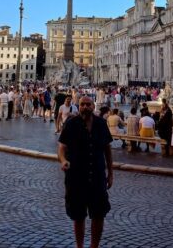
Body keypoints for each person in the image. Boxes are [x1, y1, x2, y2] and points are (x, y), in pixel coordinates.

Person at [57, 96, 113, 248]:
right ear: (78, 106)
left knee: (99, 214)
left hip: (97, 175)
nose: (85, 107)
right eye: (82, 104)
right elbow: (61, 147)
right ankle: (79, 246)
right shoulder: (71, 123)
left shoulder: (101, 124)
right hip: (76, 176)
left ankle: (94, 245)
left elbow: (107, 149)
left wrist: (111, 173)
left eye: (88, 104)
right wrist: (63, 160)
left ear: (93, 106)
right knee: (78, 215)